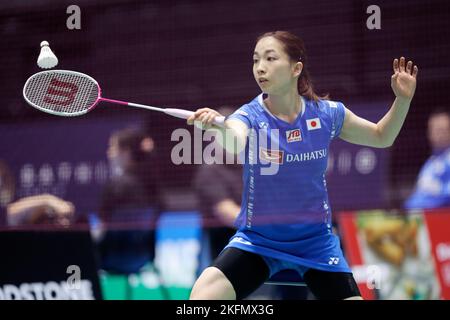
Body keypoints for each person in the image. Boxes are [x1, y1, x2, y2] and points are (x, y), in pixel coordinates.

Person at [186, 31, 418, 300]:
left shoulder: (327, 113)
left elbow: (382, 136)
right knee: (202, 297)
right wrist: (218, 126)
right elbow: (235, 141)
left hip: (316, 244)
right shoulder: (249, 115)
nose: (260, 67)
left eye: (270, 58)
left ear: (296, 68)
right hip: (259, 242)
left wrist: (402, 100)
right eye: (256, 60)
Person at [98, 127, 163, 274]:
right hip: (144, 257)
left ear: (126, 152)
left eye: (113, 147)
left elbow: (104, 222)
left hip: (109, 257)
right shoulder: (153, 186)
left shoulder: (115, 186)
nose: (109, 153)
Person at [404, 109, 450, 209]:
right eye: (436, 130)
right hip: (419, 215)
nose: (440, 135)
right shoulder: (429, 164)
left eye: (443, 130)